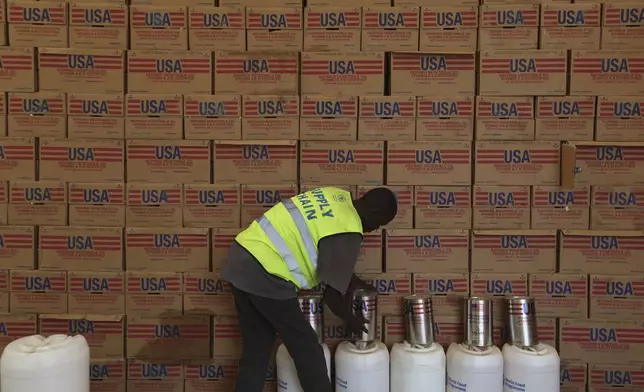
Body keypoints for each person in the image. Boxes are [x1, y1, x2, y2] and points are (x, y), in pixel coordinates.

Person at [221, 186, 398, 392]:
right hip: (267, 273)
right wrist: (353, 321)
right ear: (376, 213)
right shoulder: (348, 228)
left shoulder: (335, 195)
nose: (375, 229)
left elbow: (332, 261)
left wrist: (359, 284)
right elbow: (331, 296)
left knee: (257, 348)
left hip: (241, 257)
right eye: (380, 224)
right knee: (307, 347)